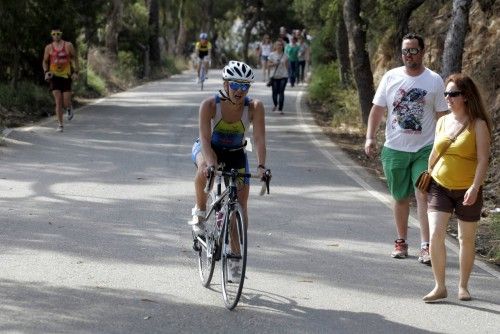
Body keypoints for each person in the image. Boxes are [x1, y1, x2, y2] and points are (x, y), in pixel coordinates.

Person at [364, 33, 448, 263]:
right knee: (400, 197)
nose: (408, 55)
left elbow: (442, 116)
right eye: (405, 51)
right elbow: (377, 110)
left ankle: (426, 245)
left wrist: (444, 145)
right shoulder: (391, 77)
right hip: (395, 148)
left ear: (422, 51)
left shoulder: (434, 80)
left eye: (413, 50)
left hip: (425, 149)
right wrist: (370, 137)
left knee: (423, 194)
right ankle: (401, 241)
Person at [189, 61, 267, 279]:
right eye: (235, 85)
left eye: (245, 87)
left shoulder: (255, 108)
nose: (240, 91)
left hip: (235, 152)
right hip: (208, 148)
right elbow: (204, 138)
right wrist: (211, 163)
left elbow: (259, 138)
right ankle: (201, 211)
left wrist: (261, 166)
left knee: (239, 205)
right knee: (205, 168)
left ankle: (235, 255)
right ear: (225, 84)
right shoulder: (209, 105)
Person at [423, 74, 492, 302]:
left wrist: (475, 187)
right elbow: (434, 152)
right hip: (439, 186)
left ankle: (463, 286)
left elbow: (483, 160)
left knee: (466, 239)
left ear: (466, 96)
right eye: (446, 94)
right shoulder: (442, 121)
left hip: (467, 189)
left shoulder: (478, 124)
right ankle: (439, 286)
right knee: (435, 234)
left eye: (453, 94)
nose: (448, 98)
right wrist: (428, 175)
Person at [42, 26, 79, 132]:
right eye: (53, 34)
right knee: (58, 101)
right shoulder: (48, 48)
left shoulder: (68, 45)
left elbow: (75, 58)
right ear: (51, 35)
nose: (56, 36)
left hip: (66, 76)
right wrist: (46, 72)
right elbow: (44, 61)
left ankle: (69, 107)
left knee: (66, 101)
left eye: (58, 34)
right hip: (54, 77)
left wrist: (76, 72)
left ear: (61, 34)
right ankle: (60, 125)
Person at [268, 41, 289, 114]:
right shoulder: (271, 55)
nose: (279, 46)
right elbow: (269, 65)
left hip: (283, 76)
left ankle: (280, 109)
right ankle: (275, 104)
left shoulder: (285, 55)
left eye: (281, 45)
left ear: (282, 46)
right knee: (274, 92)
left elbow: (287, 66)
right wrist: (274, 64)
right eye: (278, 45)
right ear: (275, 46)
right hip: (274, 76)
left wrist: (288, 74)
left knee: (281, 92)